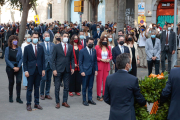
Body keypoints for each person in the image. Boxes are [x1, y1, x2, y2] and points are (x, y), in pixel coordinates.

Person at [104, 53, 146, 120]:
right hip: (128, 114)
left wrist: (115, 104)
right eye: (130, 63)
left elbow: (106, 98)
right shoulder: (133, 79)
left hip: (114, 114)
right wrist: (144, 102)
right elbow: (139, 98)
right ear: (127, 65)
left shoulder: (109, 78)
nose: (131, 65)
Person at [23, 32, 45, 111]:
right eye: (34, 37)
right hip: (30, 71)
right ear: (31, 38)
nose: (35, 39)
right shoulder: (27, 48)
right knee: (29, 88)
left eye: (37, 37)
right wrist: (26, 71)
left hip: (38, 71)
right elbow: (24, 61)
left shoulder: (40, 47)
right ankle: (28, 104)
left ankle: (36, 103)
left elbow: (43, 59)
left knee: (37, 88)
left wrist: (43, 69)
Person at [52, 32, 74, 109]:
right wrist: (54, 69)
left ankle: (65, 101)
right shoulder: (56, 47)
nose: (66, 37)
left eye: (67, 36)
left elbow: (72, 58)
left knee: (66, 87)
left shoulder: (70, 47)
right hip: (58, 69)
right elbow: (53, 59)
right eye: (64, 36)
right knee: (57, 87)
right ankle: (57, 102)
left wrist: (73, 67)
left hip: (67, 69)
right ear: (61, 37)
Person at [79, 37, 98, 106]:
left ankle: (90, 99)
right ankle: (84, 100)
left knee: (90, 86)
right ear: (86, 43)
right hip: (85, 71)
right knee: (84, 87)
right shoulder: (82, 51)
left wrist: (96, 70)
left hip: (92, 71)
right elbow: (80, 62)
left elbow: (95, 61)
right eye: (89, 43)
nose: (91, 44)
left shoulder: (94, 50)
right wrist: (82, 71)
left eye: (92, 43)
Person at [5, 35, 23, 103]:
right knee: (11, 82)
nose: (15, 41)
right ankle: (10, 96)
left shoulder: (19, 48)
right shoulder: (7, 49)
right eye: (14, 40)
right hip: (10, 68)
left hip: (18, 67)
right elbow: (6, 59)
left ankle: (18, 97)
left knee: (18, 82)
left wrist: (18, 67)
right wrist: (13, 67)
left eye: (16, 40)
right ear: (11, 41)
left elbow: (21, 58)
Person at [95, 36, 112, 101]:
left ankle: (104, 95)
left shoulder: (109, 47)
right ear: (101, 41)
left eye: (106, 40)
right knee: (99, 81)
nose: (105, 41)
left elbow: (111, 56)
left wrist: (109, 59)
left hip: (106, 65)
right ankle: (98, 95)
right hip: (100, 65)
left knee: (105, 81)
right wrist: (100, 59)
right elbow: (95, 56)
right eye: (103, 40)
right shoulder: (97, 47)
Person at [39, 32, 55, 100]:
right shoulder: (40, 45)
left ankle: (47, 93)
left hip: (50, 65)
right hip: (43, 65)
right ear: (43, 37)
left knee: (49, 80)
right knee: (43, 80)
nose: (47, 37)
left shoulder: (53, 45)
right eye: (46, 36)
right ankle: (42, 94)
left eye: (48, 35)